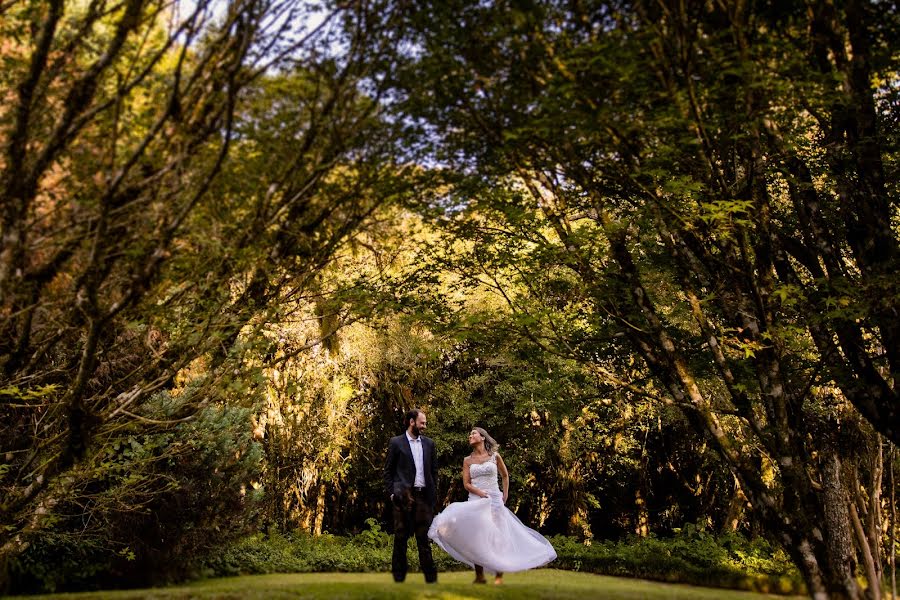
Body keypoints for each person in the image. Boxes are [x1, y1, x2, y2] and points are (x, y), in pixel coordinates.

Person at [428, 427, 556, 584]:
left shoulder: (495, 456)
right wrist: (479, 493)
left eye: (473, 433)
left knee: (498, 535)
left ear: (482, 437)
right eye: (469, 434)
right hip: (475, 499)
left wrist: (505, 494)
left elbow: (505, 475)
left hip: (495, 499)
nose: (470, 436)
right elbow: (466, 484)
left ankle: (498, 575)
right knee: (477, 536)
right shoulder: (467, 460)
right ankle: (479, 576)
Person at [383, 408, 438, 583]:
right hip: (403, 497)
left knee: (424, 539)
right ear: (412, 422)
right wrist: (392, 493)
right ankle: (399, 578)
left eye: (425, 423)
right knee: (400, 538)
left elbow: (433, 471)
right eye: (422, 423)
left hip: (423, 497)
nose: (425, 426)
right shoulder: (396, 442)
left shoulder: (429, 444)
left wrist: (432, 494)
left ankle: (431, 579)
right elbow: (388, 471)